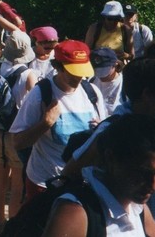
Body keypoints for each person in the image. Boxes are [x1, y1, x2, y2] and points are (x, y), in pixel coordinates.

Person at [63, 57, 155, 233]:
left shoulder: (153, 125)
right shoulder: (113, 131)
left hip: (143, 218)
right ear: (147, 94)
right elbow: (71, 170)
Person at [10, 40, 106, 202]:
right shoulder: (40, 94)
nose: (79, 76)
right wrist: (45, 123)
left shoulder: (92, 93)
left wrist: (100, 130)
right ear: (57, 66)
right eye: (73, 71)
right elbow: (17, 142)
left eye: (82, 70)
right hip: (45, 183)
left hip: (83, 183)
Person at [42, 114, 155, 237]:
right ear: (111, 159)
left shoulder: (137, 209)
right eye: (143, 173)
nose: (154, 185)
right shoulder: (75, 214)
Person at [0, 30, 38, 234]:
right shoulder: (28, 74)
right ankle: (12, 230)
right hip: (18, 135)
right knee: (17, 187)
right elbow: (35, 105)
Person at [90, 47, 124, 116]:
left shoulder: (124, 84)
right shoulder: (91, 81)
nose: (101, 76)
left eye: (104, 70)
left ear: (115, 64)